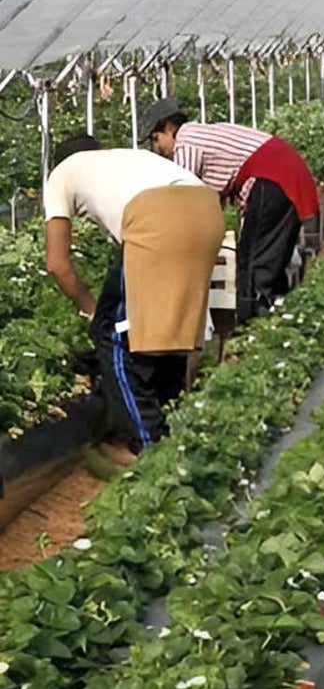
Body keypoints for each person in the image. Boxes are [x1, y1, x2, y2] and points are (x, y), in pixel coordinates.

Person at [43, 136, 224, 463]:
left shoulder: (61, 174)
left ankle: (147, 445)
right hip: (206, 210)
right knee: (169, 325)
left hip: (157, 217)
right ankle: (171, 422)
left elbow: (57, 264)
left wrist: (91, 309)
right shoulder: (125, 161)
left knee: (111, 335)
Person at [140, 98, 321, 323]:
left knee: (254, 264)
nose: (157, 149)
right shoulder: (201, 135)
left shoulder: (187, 140)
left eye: (156, 140)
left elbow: (183, 197)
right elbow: (210, 200)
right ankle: (276, 315)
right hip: (279, 177)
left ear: (168, 128)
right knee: (268, 257)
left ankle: (253, 326)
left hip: (271, 180)